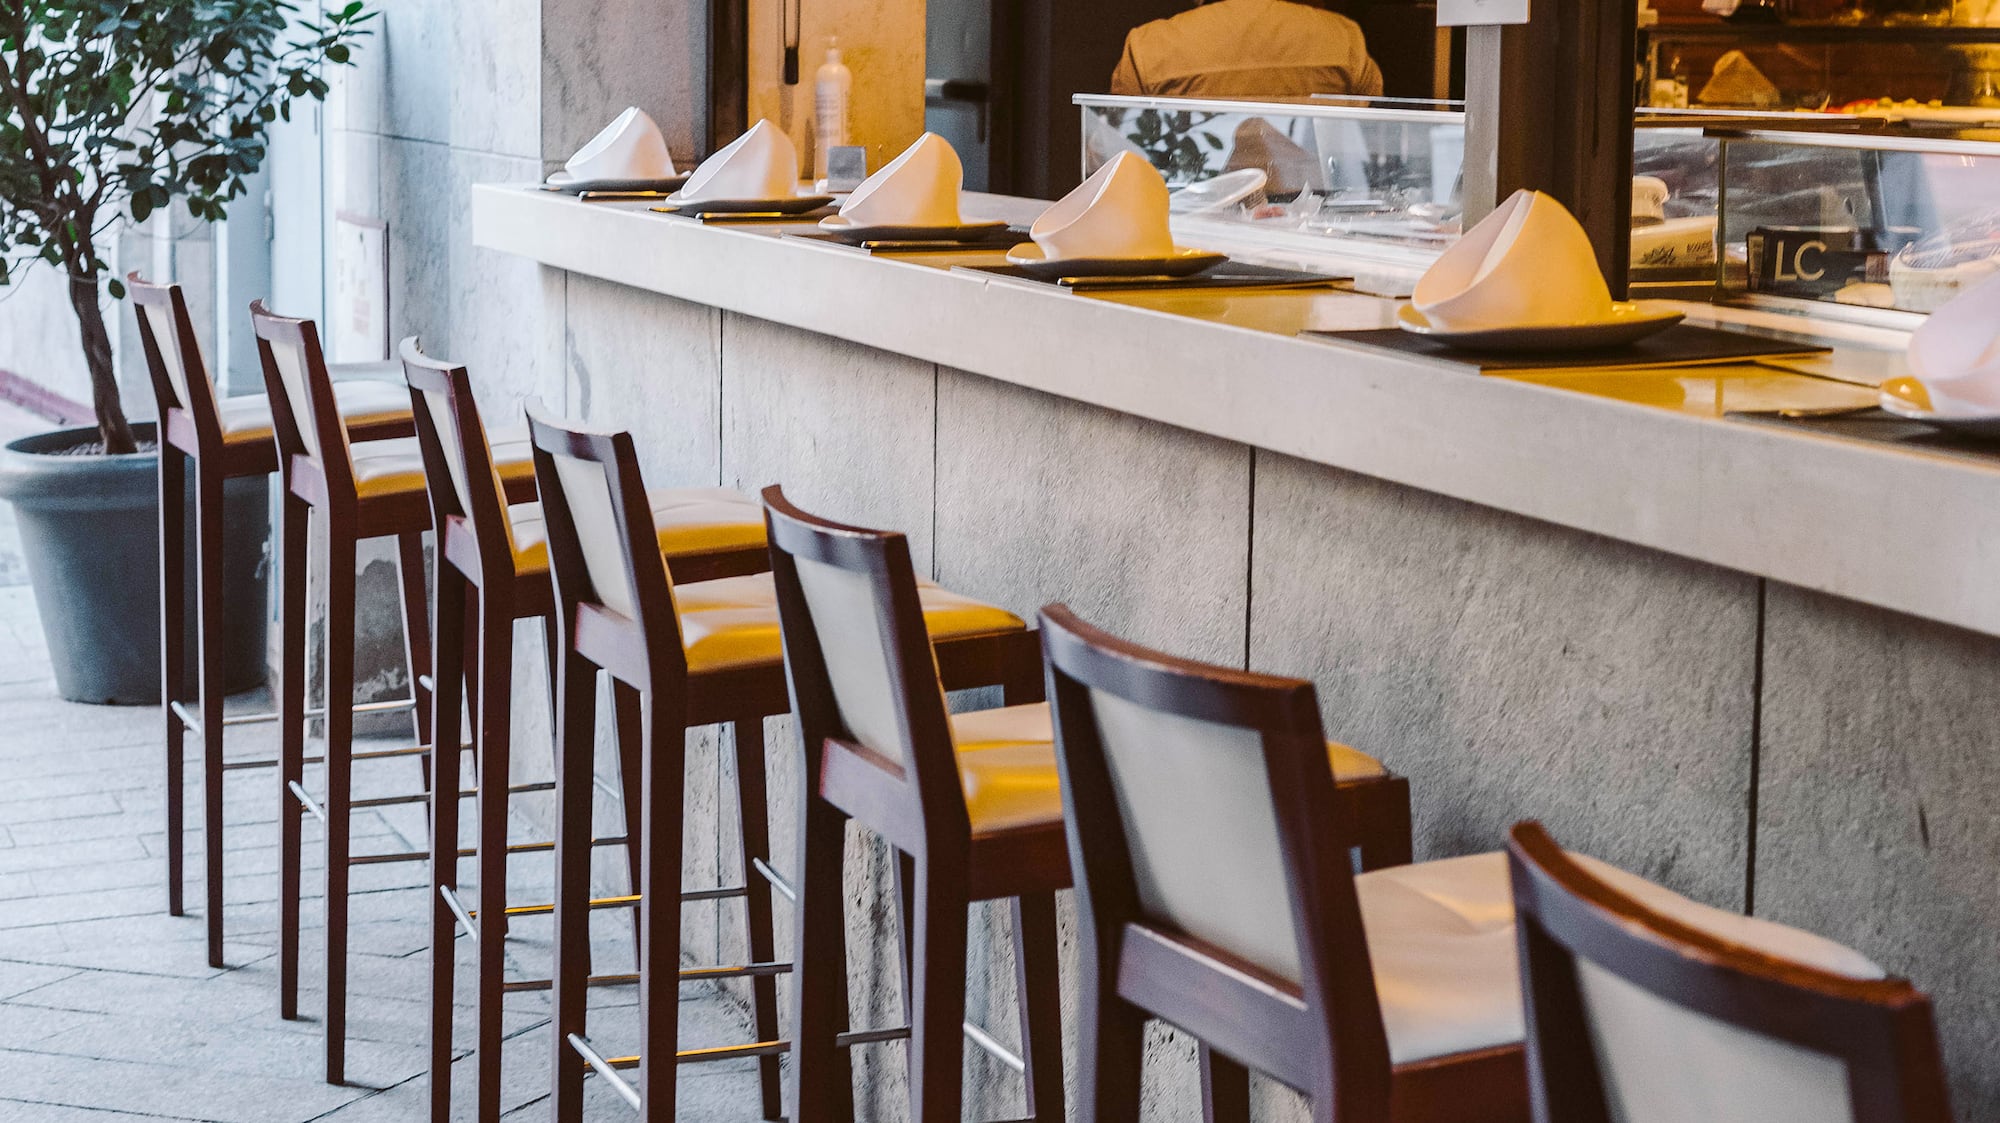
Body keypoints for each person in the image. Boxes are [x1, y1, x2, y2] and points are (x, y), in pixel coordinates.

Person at [1109, 0, 1385, 99]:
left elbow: (1112, 155)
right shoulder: (1343, 37)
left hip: (1185, 221)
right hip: (1313, 219)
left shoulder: (1147, 44)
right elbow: (1376, 139)